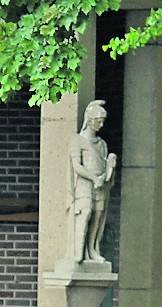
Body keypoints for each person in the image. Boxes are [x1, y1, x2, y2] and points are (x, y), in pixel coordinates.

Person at [68, 99, 118, 264]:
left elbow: (104, 165)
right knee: (86, 212)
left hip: (100, 184)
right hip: (85, 183)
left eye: (102, 121)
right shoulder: (78, 140)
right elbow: (77, 165)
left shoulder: (101, 144)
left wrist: (109, 167)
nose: (101, 125)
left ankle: (92, 248)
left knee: (97, 215)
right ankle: (78, 250)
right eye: (98, 121)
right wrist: (93, 178)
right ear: (89, 120)